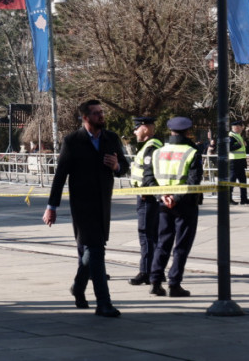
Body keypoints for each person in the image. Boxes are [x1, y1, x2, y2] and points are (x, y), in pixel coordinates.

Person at [43, 99, 128, 318]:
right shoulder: (72, 141)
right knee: (97, 251)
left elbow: (125, 167)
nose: (101, 116)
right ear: (85, 117)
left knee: (91, 251)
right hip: (82, 206)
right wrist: (52, 206)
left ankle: (78, 287)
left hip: (104, 204)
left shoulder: (111, 138)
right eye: (96, 113)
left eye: (102, 112)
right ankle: (104, 303)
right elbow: (60, 176)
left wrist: (116, 166)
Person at [149, 116, 203, 297]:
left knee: (162, 242)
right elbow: (193, 181)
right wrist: (176, 197)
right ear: (188, 132)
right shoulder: (191, 151)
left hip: (163, 204)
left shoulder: (158, 152)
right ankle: (174, 284)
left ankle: (155, 281)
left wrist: (162, 196)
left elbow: (148, 180)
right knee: (181, 245)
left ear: (170, 131)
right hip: (185, 204)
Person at [128, 116, 162, 287]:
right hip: (148, 195)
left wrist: (145, 190)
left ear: (146, 128)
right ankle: (157, 271)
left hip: (146, 196)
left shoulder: (151, 147)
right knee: (153, 234)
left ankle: (146, 271)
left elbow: (149, 173)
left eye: (137, 128)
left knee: (146, 234)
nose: (134, 132)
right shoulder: (151, 146)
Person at [228, 119, 249, 205]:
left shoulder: (238, 135)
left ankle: (244, 199)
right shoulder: (231, 136)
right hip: (234, 162)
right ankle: (228, 199)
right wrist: (240, 144)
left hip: (240, 162)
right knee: (232, 181)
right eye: (241, 126)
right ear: (237, 127)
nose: (242, 128)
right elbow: (229, 148)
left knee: (243, 181)